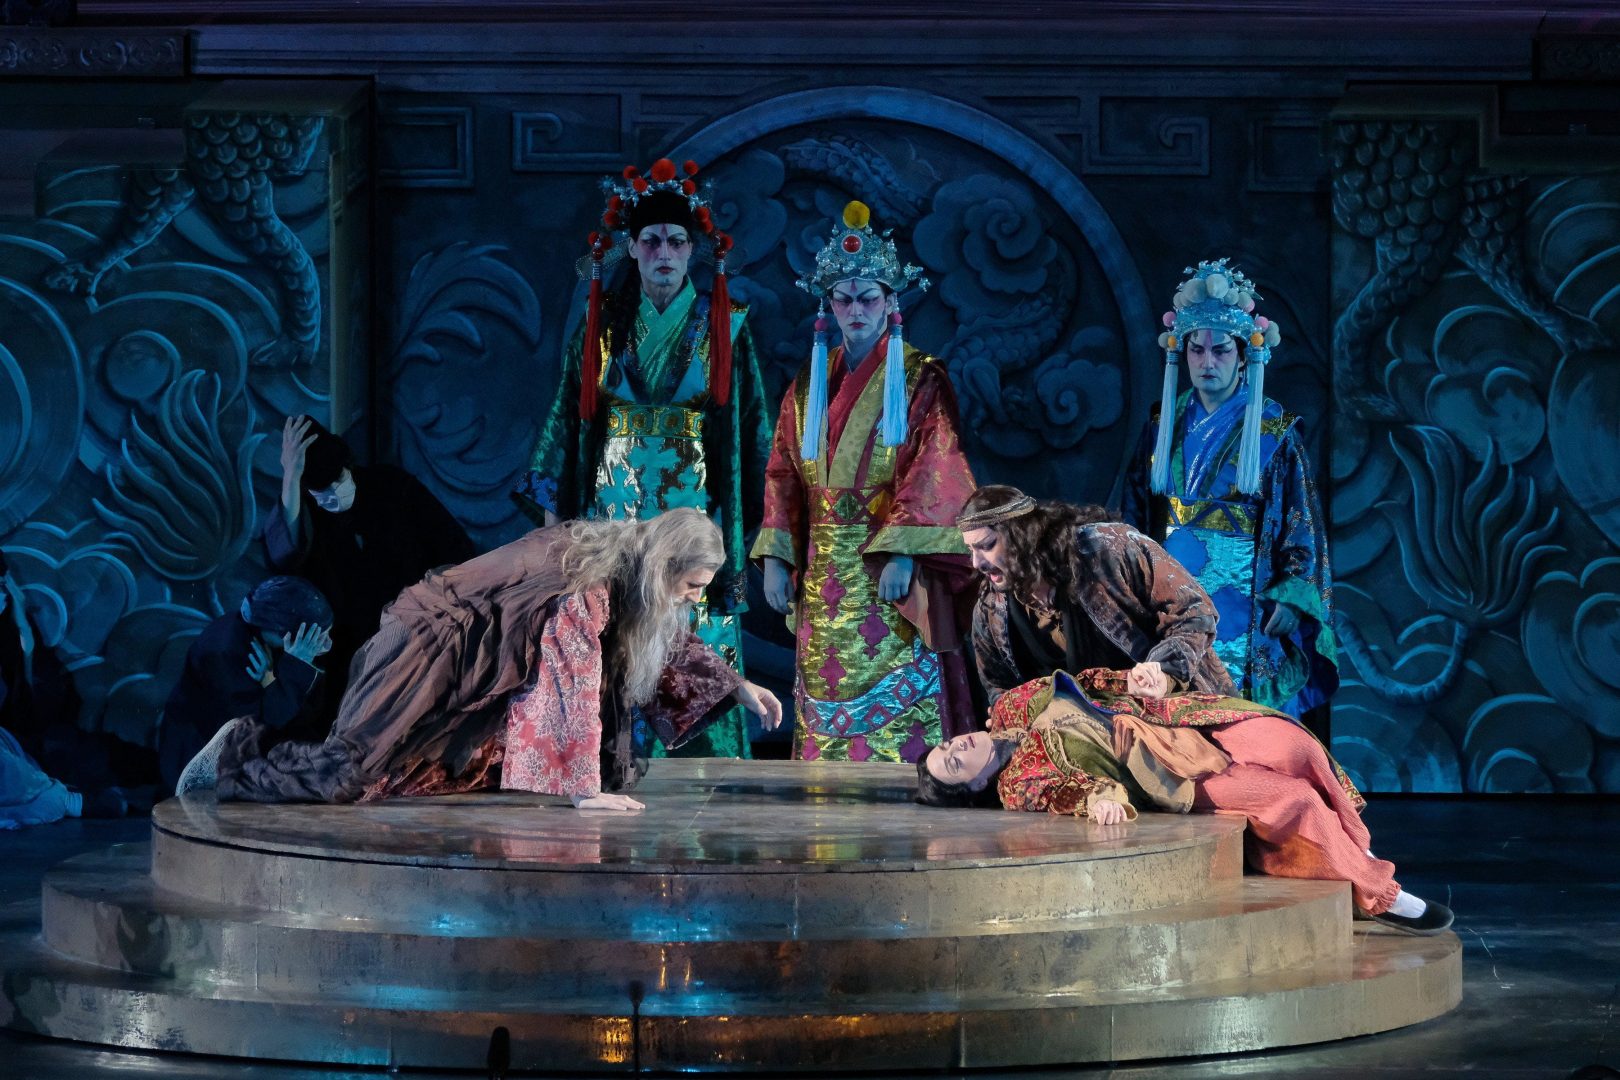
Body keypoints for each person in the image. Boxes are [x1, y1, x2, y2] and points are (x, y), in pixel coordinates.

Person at [195, 508, 783, 809]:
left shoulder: (632, 562)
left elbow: (658, 634)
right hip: (427, 646)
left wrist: (736, 685)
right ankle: (231, 757)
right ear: (664, 568)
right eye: (693, 586)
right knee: (351, 773)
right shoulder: (591, 583)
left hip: (467, 653)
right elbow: (569, 680)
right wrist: (583, 790)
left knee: (421, 776)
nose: (695, 599)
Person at [516, 158, 772, 761]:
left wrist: (747, 526)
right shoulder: (600, 325)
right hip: (616, 516)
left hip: (692, 512)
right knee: (616, 633)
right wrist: (553, 521)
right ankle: (606, 764)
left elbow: (751, 434)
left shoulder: (725, 327)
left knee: (689, 622)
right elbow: (564, 422)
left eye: (677, 242)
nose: (664, 252)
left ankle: (705, 767)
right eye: (651, 240)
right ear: (631, 248)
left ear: (692, 252)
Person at [916, 669, 1453, 937]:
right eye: (955, 764)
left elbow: (1088, 681)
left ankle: (1357, 848)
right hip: (1166, 771)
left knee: (1296, 745)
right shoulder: (1018, 783)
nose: (958, 746)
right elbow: (1067, 789)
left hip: (1179, 719)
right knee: (1291, 799)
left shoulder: (1011, 705)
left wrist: (1141, 677)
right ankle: (1382, 896)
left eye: (948, 745)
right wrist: (1101, 798)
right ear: (975, 786)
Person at [752, 200, 977, 764]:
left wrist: (902, 553)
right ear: (828, 305)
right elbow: (782, 470)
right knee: (825, 691)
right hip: (822, 568)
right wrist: (777, 557)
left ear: (891, 302)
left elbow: (935, 467)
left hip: (886, 566)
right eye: (844, 299)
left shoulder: (921, 378)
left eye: (868, 298)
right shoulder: (810, 384)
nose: (855, 310)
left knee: (896, 691)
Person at [1122, 259, 1337, 718]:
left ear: (1243, 356)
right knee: (1174, 701)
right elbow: (1135, 508)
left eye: (1220, 351)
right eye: (1196, 350)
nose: (1207, 362)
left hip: (1245, 592)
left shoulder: (1273, 431)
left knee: (1239, 710)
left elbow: (1300, 519)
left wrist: (1291, 593)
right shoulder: (1163, 423)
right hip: (1172, 586)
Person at [266, 415, 475, 717]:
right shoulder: (306, 512)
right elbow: (283, 558)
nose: (333, 493)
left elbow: (452, 544)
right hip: (352, 647)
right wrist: (291, 475)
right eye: (322, 490)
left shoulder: (391, 485)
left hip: (418, 627)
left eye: (337, 481)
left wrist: (435, 598)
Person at [959, 484, 1235, 707]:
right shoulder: (992, 608)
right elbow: (998, 686)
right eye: (971, 550)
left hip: (1169, 707)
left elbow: (1193, 611)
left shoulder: (1108, 549)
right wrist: (1009, 713)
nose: (976, 562)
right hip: (1085, 735)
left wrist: (1164, 673)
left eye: (987, 545)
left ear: (1022, 535)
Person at [162, 576, 333, 794]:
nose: (324, 645)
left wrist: (271, 679)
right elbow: (264, 723)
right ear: (282, 631)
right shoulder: (226, 652)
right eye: (314, 639)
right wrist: (293, 666)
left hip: (252, 740)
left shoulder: (268, 641)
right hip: (207, 754)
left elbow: (305, 714)